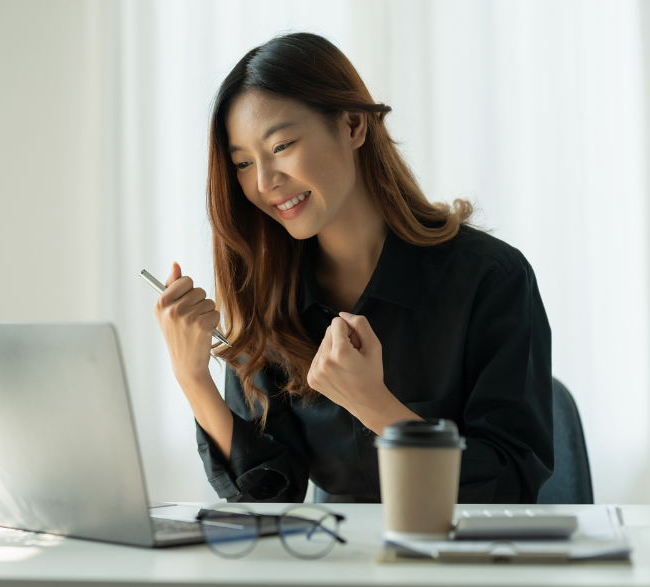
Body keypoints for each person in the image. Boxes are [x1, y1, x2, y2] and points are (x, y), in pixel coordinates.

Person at [152, 32, 553, 504]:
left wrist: (375, 406)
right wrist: (193, 379)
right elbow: (269, 500)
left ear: (353, 125)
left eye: (281, 146)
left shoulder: (491, 278)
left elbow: (510, 484)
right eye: (242, 162)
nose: (264, 182)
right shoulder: (267, 298)